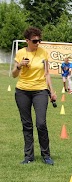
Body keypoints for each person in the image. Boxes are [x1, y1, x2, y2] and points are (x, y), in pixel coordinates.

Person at [12, 26, 57, 165]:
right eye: (35, 41)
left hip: (40, 90)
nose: (38, 43)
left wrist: (52, 91)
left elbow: (47, 73)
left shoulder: (43, 53)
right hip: (22, 91)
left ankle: (46, 155)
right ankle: (28, 157)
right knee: (27, 124)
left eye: (39, 40)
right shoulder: (20, 53)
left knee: (41, 123)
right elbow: (14, 75)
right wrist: (19, 65)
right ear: (27, 40)